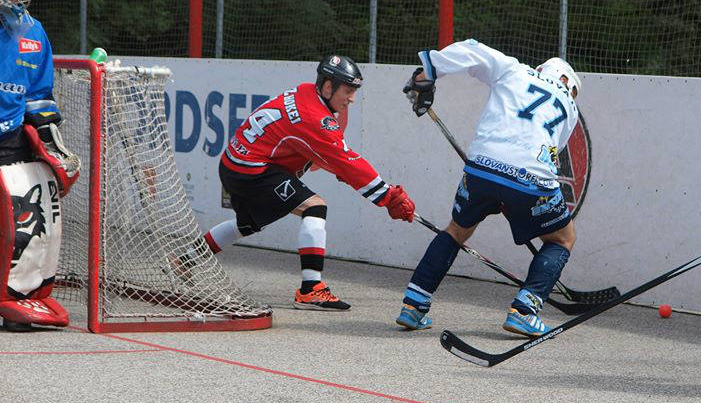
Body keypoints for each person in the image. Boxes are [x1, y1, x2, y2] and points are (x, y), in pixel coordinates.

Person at [198, 54, 415, 310]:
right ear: (328, 87)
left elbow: (320, 152)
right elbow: (346, 159)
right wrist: (388, 196)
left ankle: (185, 259)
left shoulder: (305, 91)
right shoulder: (315, 117)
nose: (352, 98)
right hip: (251, 169)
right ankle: (311, 290)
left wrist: (340, 168)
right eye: (348, 91)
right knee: (315, 207)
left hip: (235, 163)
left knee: (247, 224)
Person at [397, 39, 582, 337]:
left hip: (482, 168)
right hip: (531, 178)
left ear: (541, 69)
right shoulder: (570, 108)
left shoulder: (515, 70)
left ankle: (413, 305)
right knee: (563, 238)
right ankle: (525, 310)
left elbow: (472, 49)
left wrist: (427, 73)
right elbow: (550, 155)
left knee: (456, 230)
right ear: (569, 86)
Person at [0, 0, 80, 332]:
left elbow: (39, 95)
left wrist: (51, 144)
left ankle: (19, 291)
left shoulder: (34, 32)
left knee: (29, 212)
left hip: (14, 138)